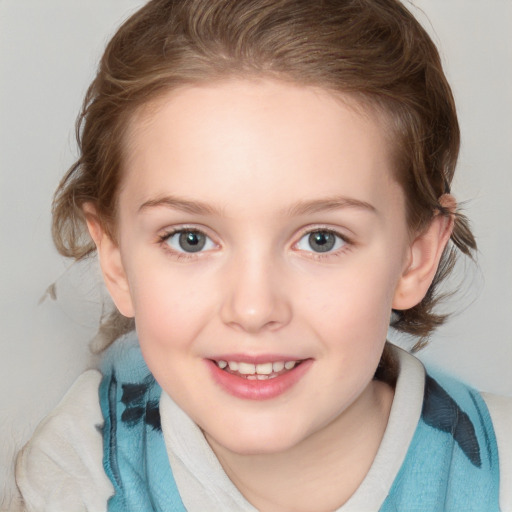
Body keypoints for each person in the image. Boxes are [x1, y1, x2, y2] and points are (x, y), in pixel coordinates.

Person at [14, 0, 511, 510]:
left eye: (322, 239)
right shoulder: (81, 470)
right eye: (190, 239)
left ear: (415, 255)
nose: (253, 310)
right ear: (115, 259)